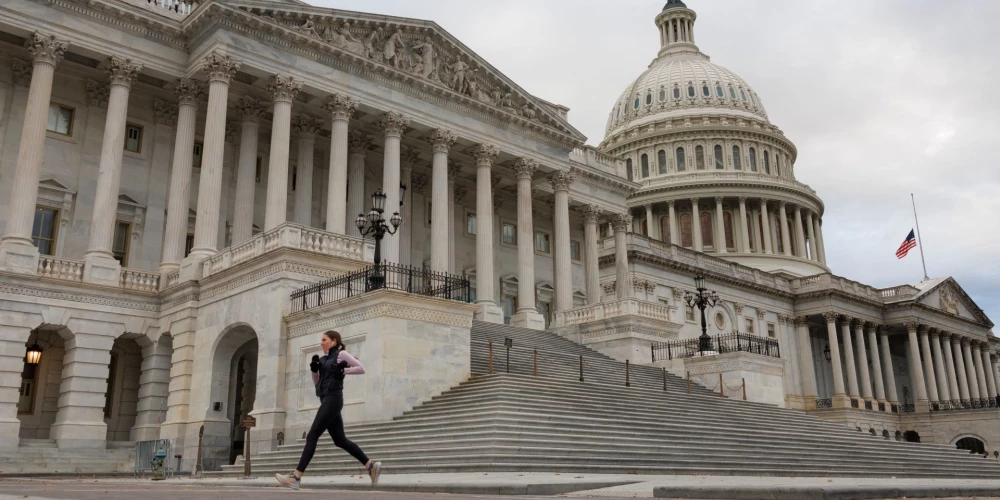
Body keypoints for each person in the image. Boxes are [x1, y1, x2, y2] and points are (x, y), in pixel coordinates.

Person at [275, 330, 381, 490]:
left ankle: (296, 477)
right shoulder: (324, 359)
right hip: (325, 399)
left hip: (333, 398)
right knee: (340, 440)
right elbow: (317, 383)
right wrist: (314, 370)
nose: (321, 342)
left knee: (312, 436)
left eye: (324, 340)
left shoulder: (342, 354)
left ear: (334, 341)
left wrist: (343, 370)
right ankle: (370, 465)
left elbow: (360, 368)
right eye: (321, 340)